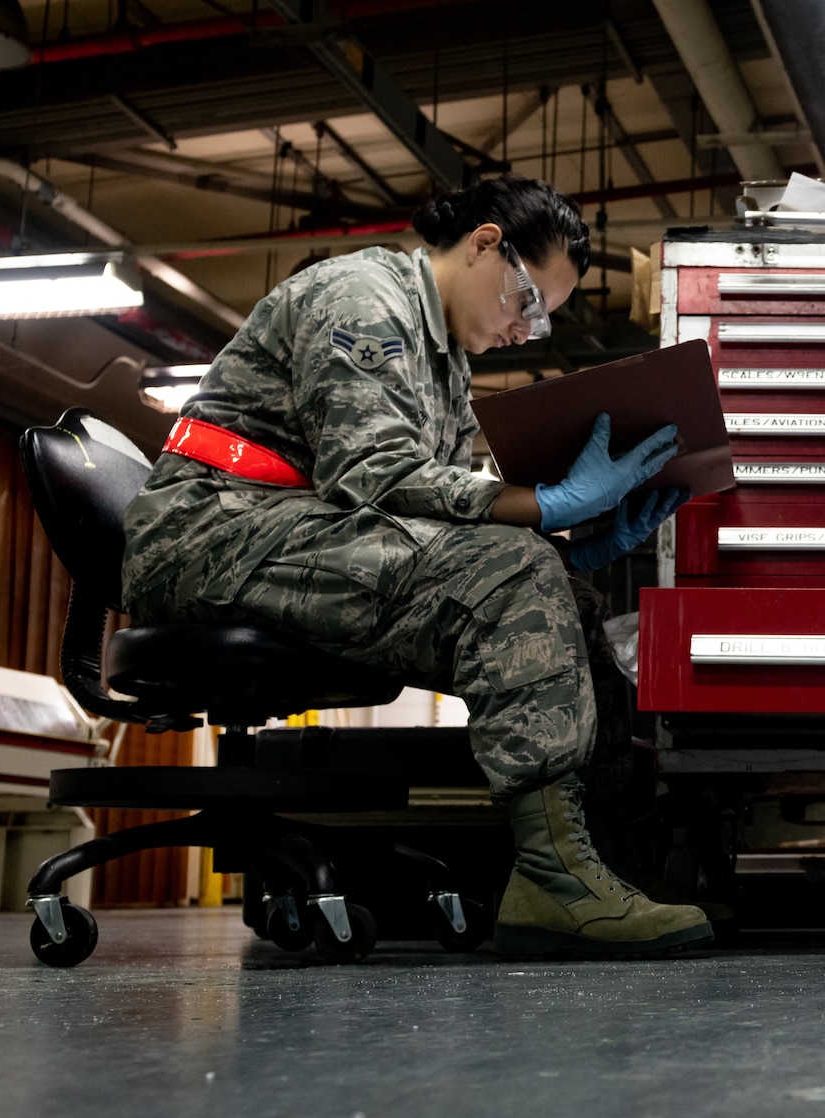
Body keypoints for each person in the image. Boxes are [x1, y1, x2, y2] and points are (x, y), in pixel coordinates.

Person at [120, 177, 714, 959]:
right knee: (513, 573)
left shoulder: (444, 362)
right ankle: (553, 880)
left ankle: (607, 865)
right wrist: (545, 506)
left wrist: (573, 540)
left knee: (551, 585)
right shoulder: (365, 298)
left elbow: (430, 529)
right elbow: (375, 475)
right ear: (485, 244)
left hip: (296, 531)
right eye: (527, 302)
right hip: (214, 531)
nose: (526, 330)